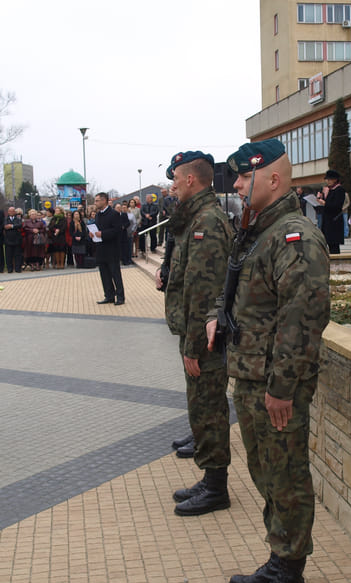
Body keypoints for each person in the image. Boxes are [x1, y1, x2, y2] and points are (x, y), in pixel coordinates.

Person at [205, 139, 330, 583]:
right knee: (265, 472)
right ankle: (280, 557)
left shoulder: (294, 236)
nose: (235, 185)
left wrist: (282, 388)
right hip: (253, 376)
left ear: (272, 178)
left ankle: (291, 577)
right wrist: (221, 316)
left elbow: (303, 318)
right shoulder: (260, 230)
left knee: (288, 476)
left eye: (242, 177)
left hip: (277, 384)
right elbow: (238, 288)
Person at [156, 151, 233, 516]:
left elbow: (204, 292)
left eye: (175, 178)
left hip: (204, 338)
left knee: (210, 408)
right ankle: (210, 477)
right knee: (203, 406)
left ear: (190, 180)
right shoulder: (197, 217)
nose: (172, 185)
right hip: (198, 334)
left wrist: (193, 344)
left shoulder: (207, 222)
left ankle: (217, 488)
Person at [90, 192, 125, 305]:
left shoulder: (114, 214)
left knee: (115, 274)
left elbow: (117, 231)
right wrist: (93, 234)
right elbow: (97, 229)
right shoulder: (98, 215)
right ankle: (109, 295)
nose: (95, 203)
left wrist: (103, 234)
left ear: (104, 200)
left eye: (97, 201)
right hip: (101, 249)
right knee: (104, 274)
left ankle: (120, 296)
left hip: (112, 249)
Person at [316, 169, 345, 254]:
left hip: (334, 221)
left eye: (329, 179)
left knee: (334, 246)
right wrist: (321, 198)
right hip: (327, 221)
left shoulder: (339, 190)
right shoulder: (329, 190)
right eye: (327, 180)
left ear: (335, 180)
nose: (327, 181)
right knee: (327, 243)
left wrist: (324, 203)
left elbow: (336, 206)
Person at [3, 206, 24, 273]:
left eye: (13, 211)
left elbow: (19, 225)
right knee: (8, 255)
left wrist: (11, 226)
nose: (11, 212)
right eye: (10, 211)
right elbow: (5, 226)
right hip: (8, 239)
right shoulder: (5, 219)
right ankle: (10, 269)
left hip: (17, 239)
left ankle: (18, 268)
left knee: (17, 255)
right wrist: (12, 226)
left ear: (14, 212)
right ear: (8, 212)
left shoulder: (18, 218)